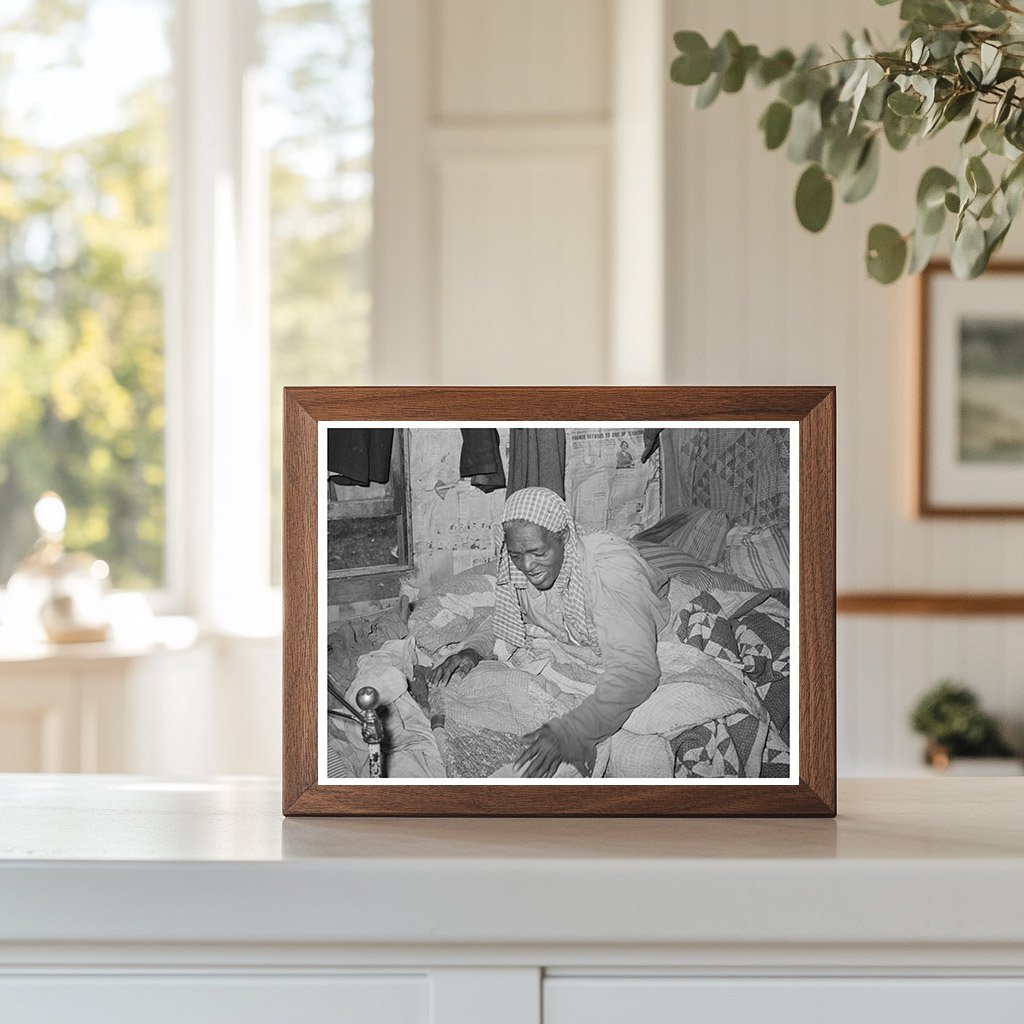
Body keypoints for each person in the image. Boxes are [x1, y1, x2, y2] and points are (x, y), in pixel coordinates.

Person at [429, 487, 670, 778]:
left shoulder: (609, 570)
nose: (527, 566)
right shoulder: (519, 566)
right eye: (517, 555)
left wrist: (572, 731)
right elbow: (509, 616)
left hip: (638, 624)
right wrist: (474, 649)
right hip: (578, 639)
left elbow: (637, 670)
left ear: (564, 537)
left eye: (538, 553)